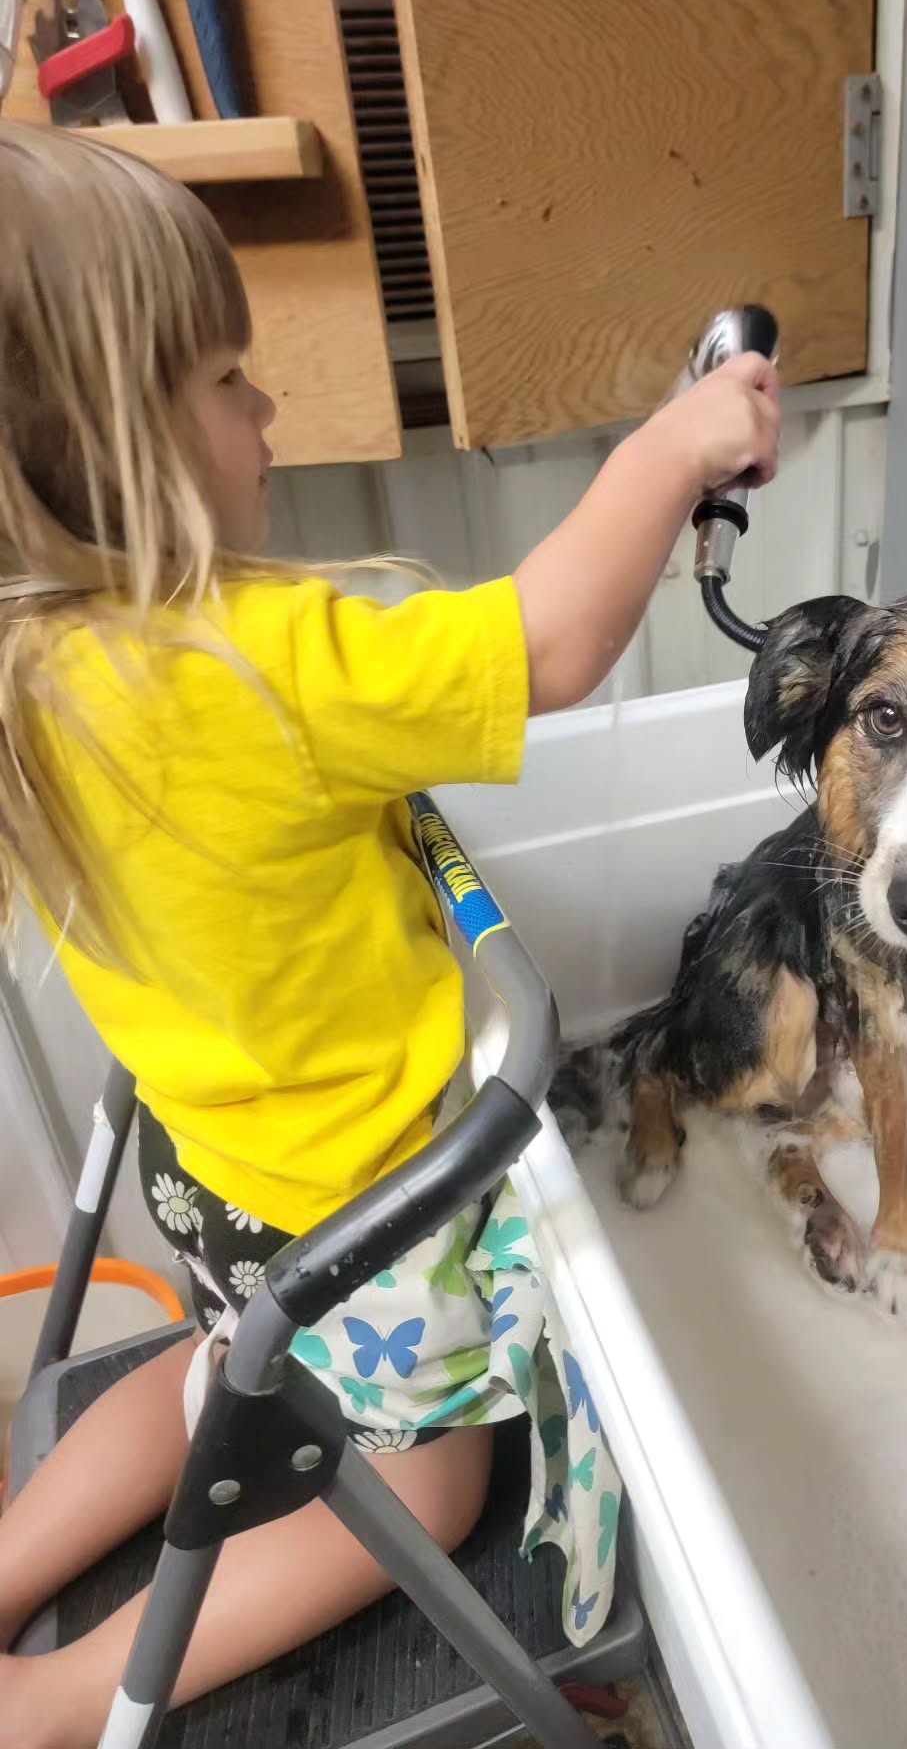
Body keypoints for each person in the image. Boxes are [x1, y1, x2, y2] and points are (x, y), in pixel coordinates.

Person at [0, 119, 780, 1748]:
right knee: (427, 1486)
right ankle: (71, 1700)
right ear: (109, 434)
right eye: (227, 378)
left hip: (214, 1175)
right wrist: (675, 443)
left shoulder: (25, 691)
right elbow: (555, 644)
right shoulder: (254, 665)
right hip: (371, 1204)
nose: (268, 407)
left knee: (223, 1369)